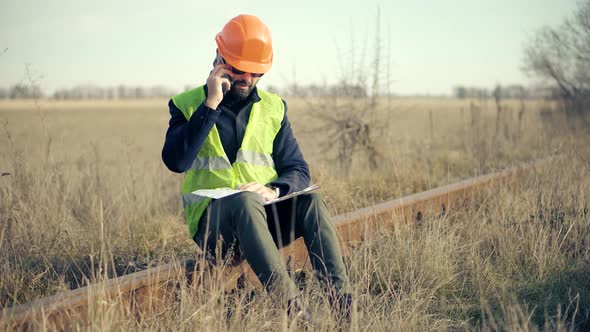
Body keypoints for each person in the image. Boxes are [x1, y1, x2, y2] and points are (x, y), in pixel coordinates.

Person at [161, 14, 353, 322]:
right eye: (239, 70)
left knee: (311, 201)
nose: (247, 79)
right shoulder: (187, 104)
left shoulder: (273, 108)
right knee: (245, 200)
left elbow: (298, 169)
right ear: (220, 60)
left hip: (262, 222)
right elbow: (176, 161)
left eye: (256, 72)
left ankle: (345, 310)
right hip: (215, 230)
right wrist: (210, 104)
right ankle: (297, 315)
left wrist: (273, 189)